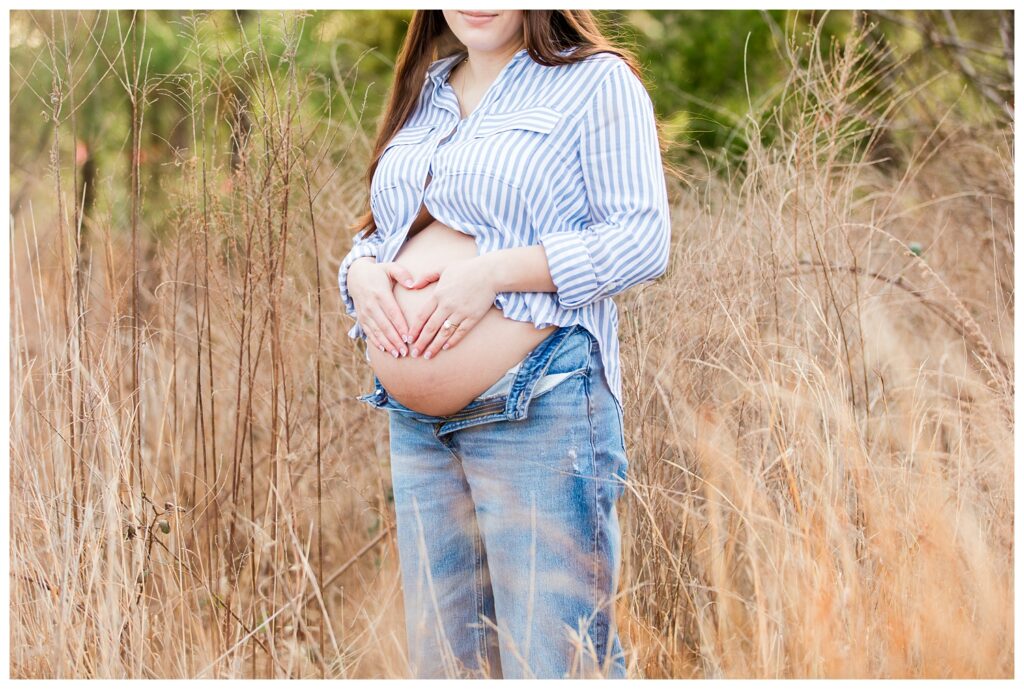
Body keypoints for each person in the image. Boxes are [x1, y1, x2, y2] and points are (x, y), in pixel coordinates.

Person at [337, 9, 671, 680]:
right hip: (420, 431)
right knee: (447, 668)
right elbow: (383, 233)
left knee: (558, 661)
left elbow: (642, 239)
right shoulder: (425, 90)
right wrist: (361, 275)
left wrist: (492, 274)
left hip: (539, 408)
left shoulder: (595, 84)